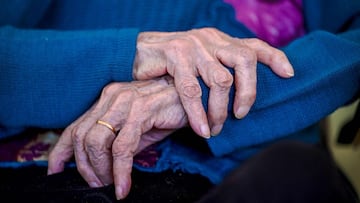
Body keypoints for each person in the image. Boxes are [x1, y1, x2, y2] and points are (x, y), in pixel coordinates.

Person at [0, 0, 359, 201]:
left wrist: (203, 89)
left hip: (246, 179)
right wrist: (130, 53)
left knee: (296, 176)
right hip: (45, 170)